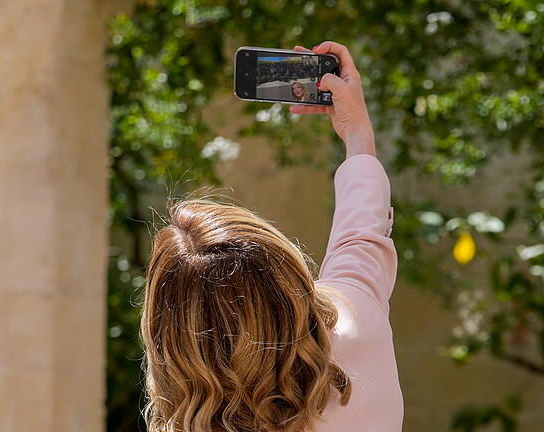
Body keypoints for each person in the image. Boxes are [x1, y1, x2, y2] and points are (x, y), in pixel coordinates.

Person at [140, 41, 403, 432]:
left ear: (171, 340)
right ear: (286, 273)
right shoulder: (358, 320)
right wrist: (356, 134)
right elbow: (360, 236)